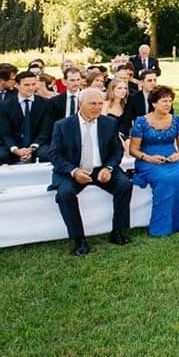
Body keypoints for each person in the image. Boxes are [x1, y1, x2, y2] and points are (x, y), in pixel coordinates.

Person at [48, 88, 133, 256]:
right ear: (80, 104)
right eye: (92, 103)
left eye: (100, 103)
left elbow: (117, 151)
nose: (97, 107)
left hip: (101, 168)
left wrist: (108, 168)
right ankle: (79, 239)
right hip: (74, 170)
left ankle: (118, 231)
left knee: (124, 185)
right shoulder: (63, 125)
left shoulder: (108, 123)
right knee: (65, 194)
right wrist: (73, 171)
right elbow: (54, 154)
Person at [129, 85, 179, 237]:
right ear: (154, 103)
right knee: (164, 178)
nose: (168, 104)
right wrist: (150, 158)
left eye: (170, 101)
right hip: (147, 159)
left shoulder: (176, 120)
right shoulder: (141, 122)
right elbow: (133, 150)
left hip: (172, 157)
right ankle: (162, 227)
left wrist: (178, 155)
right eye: (164, 101)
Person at [0, 71, 53, 166]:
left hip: (37, 145)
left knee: (46, 155)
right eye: (26, 85)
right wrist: (15, 149)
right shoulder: (5, 105)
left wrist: (32, 148)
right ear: (17, 85)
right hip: (13, 145)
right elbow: (4, 132)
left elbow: (46, 130)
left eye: (33, 84)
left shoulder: (46, 104)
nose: (31, 88)